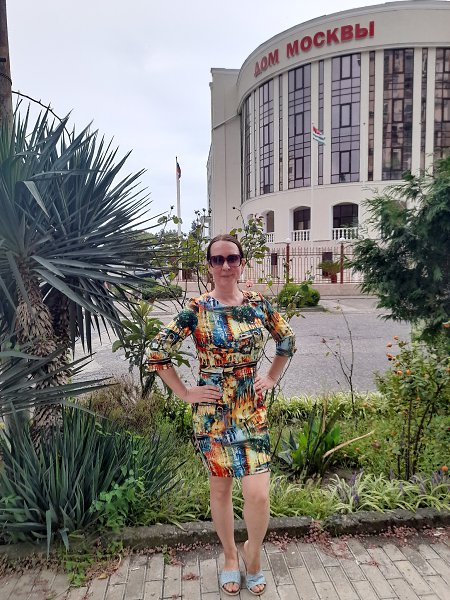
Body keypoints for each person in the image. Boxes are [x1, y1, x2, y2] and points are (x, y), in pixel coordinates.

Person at [146, 234, 296, 596]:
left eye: (231, 258)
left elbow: (287, 340)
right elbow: (157, 352)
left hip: (250, 410)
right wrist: (185, 393)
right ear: (209, 266)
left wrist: (271, 377)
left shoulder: (258, 304)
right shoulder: (197, 309)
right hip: (212, 414)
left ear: (241, 262)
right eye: (218, 259)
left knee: (258, 495)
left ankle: (252, 554)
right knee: (221, 489)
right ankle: (230, 556)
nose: (225, 265)